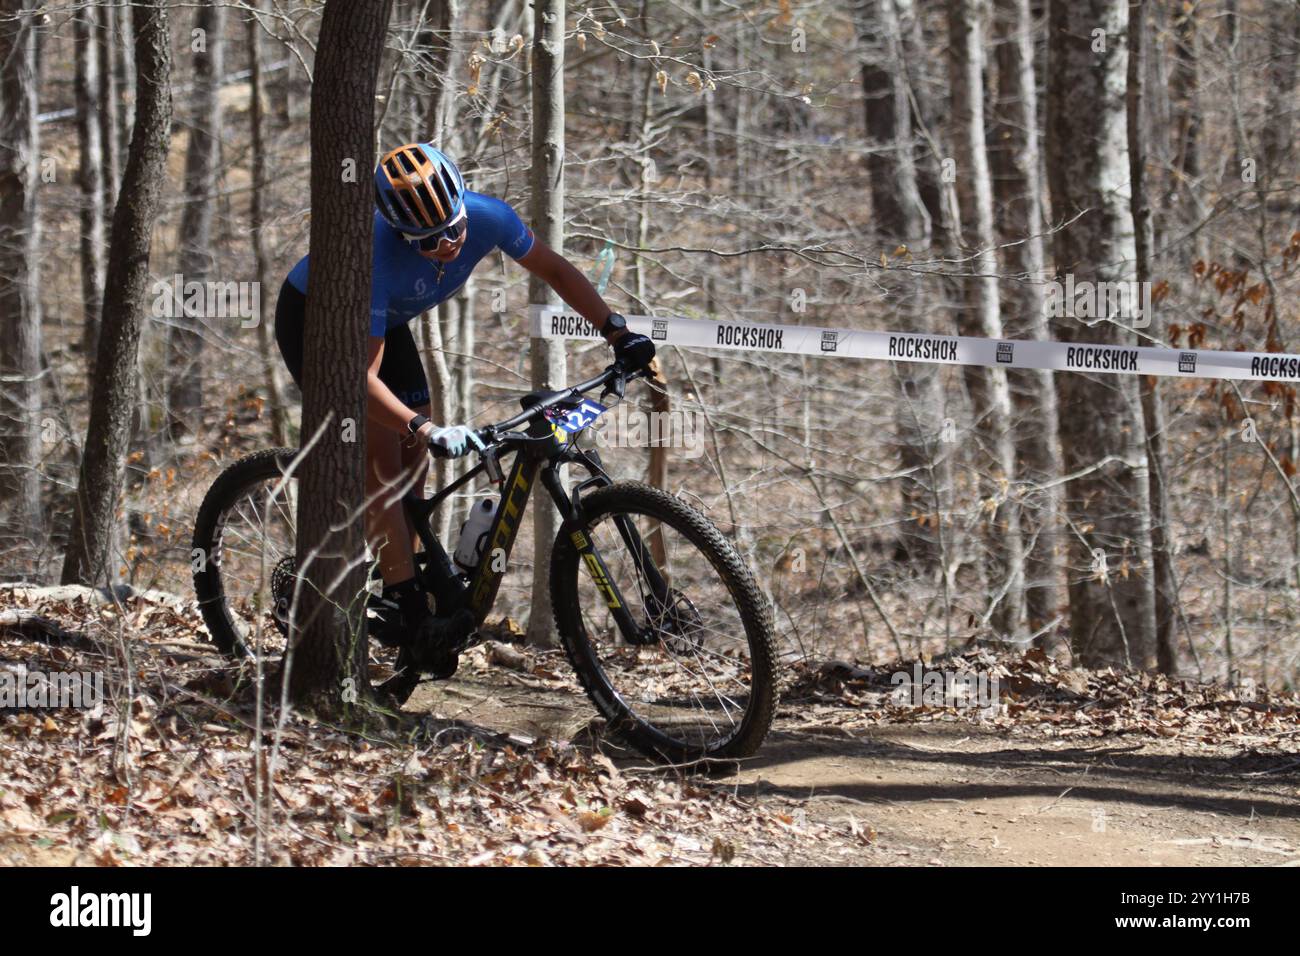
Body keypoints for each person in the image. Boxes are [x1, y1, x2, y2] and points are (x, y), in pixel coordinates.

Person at [274, 142, 654, 673]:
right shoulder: (376, 262)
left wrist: (615, 330)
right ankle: (406, 608)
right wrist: (424, 427)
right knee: (385, 463)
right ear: (402, 235)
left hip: (388, 321)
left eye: (454, 228)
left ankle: (398, 569)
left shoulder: (487, 217)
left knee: (413, 469)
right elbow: (360, 379)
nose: (451, 242)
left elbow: (557, 271)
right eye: (431, 239)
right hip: (317, 317)